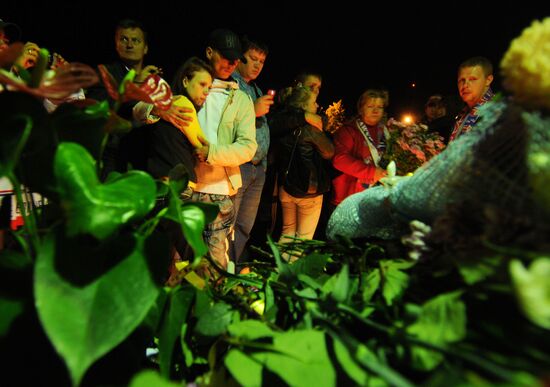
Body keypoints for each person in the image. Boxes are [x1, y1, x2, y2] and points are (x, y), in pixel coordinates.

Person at [86, 18, 190, 180]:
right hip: (114, 159)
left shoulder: (155, 80)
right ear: (116, 44)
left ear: (145, 48)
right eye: (124, 39)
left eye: (135, 40)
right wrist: (137, 86)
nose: (129, 45)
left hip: (148, 162)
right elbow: (99, 112)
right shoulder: (105, 74)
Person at [191, 28, 257, 271]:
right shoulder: (190, 85)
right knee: (178, 260)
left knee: (215, 263)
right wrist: (151, 111)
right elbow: (152, 107)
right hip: (184, 187)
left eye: (236, 58)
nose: (231, 63)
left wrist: (212, 153)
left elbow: (248, 147)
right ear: (209, 52)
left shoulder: (241, 99)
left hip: (219, 192)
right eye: (226, 56)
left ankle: (212, 307)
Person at [229, 36, 274, 266]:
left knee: (244, 226)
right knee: (228, 224)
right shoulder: (230, 84)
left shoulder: (255, 88)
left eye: (262, 61)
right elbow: (225, 124)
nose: (257, 65)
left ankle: (233, 270)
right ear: (239, 58)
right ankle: (220, 272)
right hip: (239, 166)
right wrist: (252, 111)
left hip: (257, 169)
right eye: (253, 59)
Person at [276, 86, 334, 255]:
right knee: (302, 239)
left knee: (286, 233)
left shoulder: (283, 124)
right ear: (304, 106)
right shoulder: (310, 130)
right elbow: (329, 151)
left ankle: (277, 271)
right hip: (308, 192)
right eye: (314, 103)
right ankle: (289, 278)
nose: (317, 106)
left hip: (286, 187)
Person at [331, 88, 389, 206]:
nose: (375, 110)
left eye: (380, 107)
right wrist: (372, 172)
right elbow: (339, 159)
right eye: (370, 106)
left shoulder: (385, 131)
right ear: (361, 108)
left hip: (377, 196)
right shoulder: (348, 130)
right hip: (349, 199)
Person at [449, 56, 495, 142]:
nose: (465, 85)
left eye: (472, 79)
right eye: (462, 80)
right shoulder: (461, 114)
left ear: (488, 80)